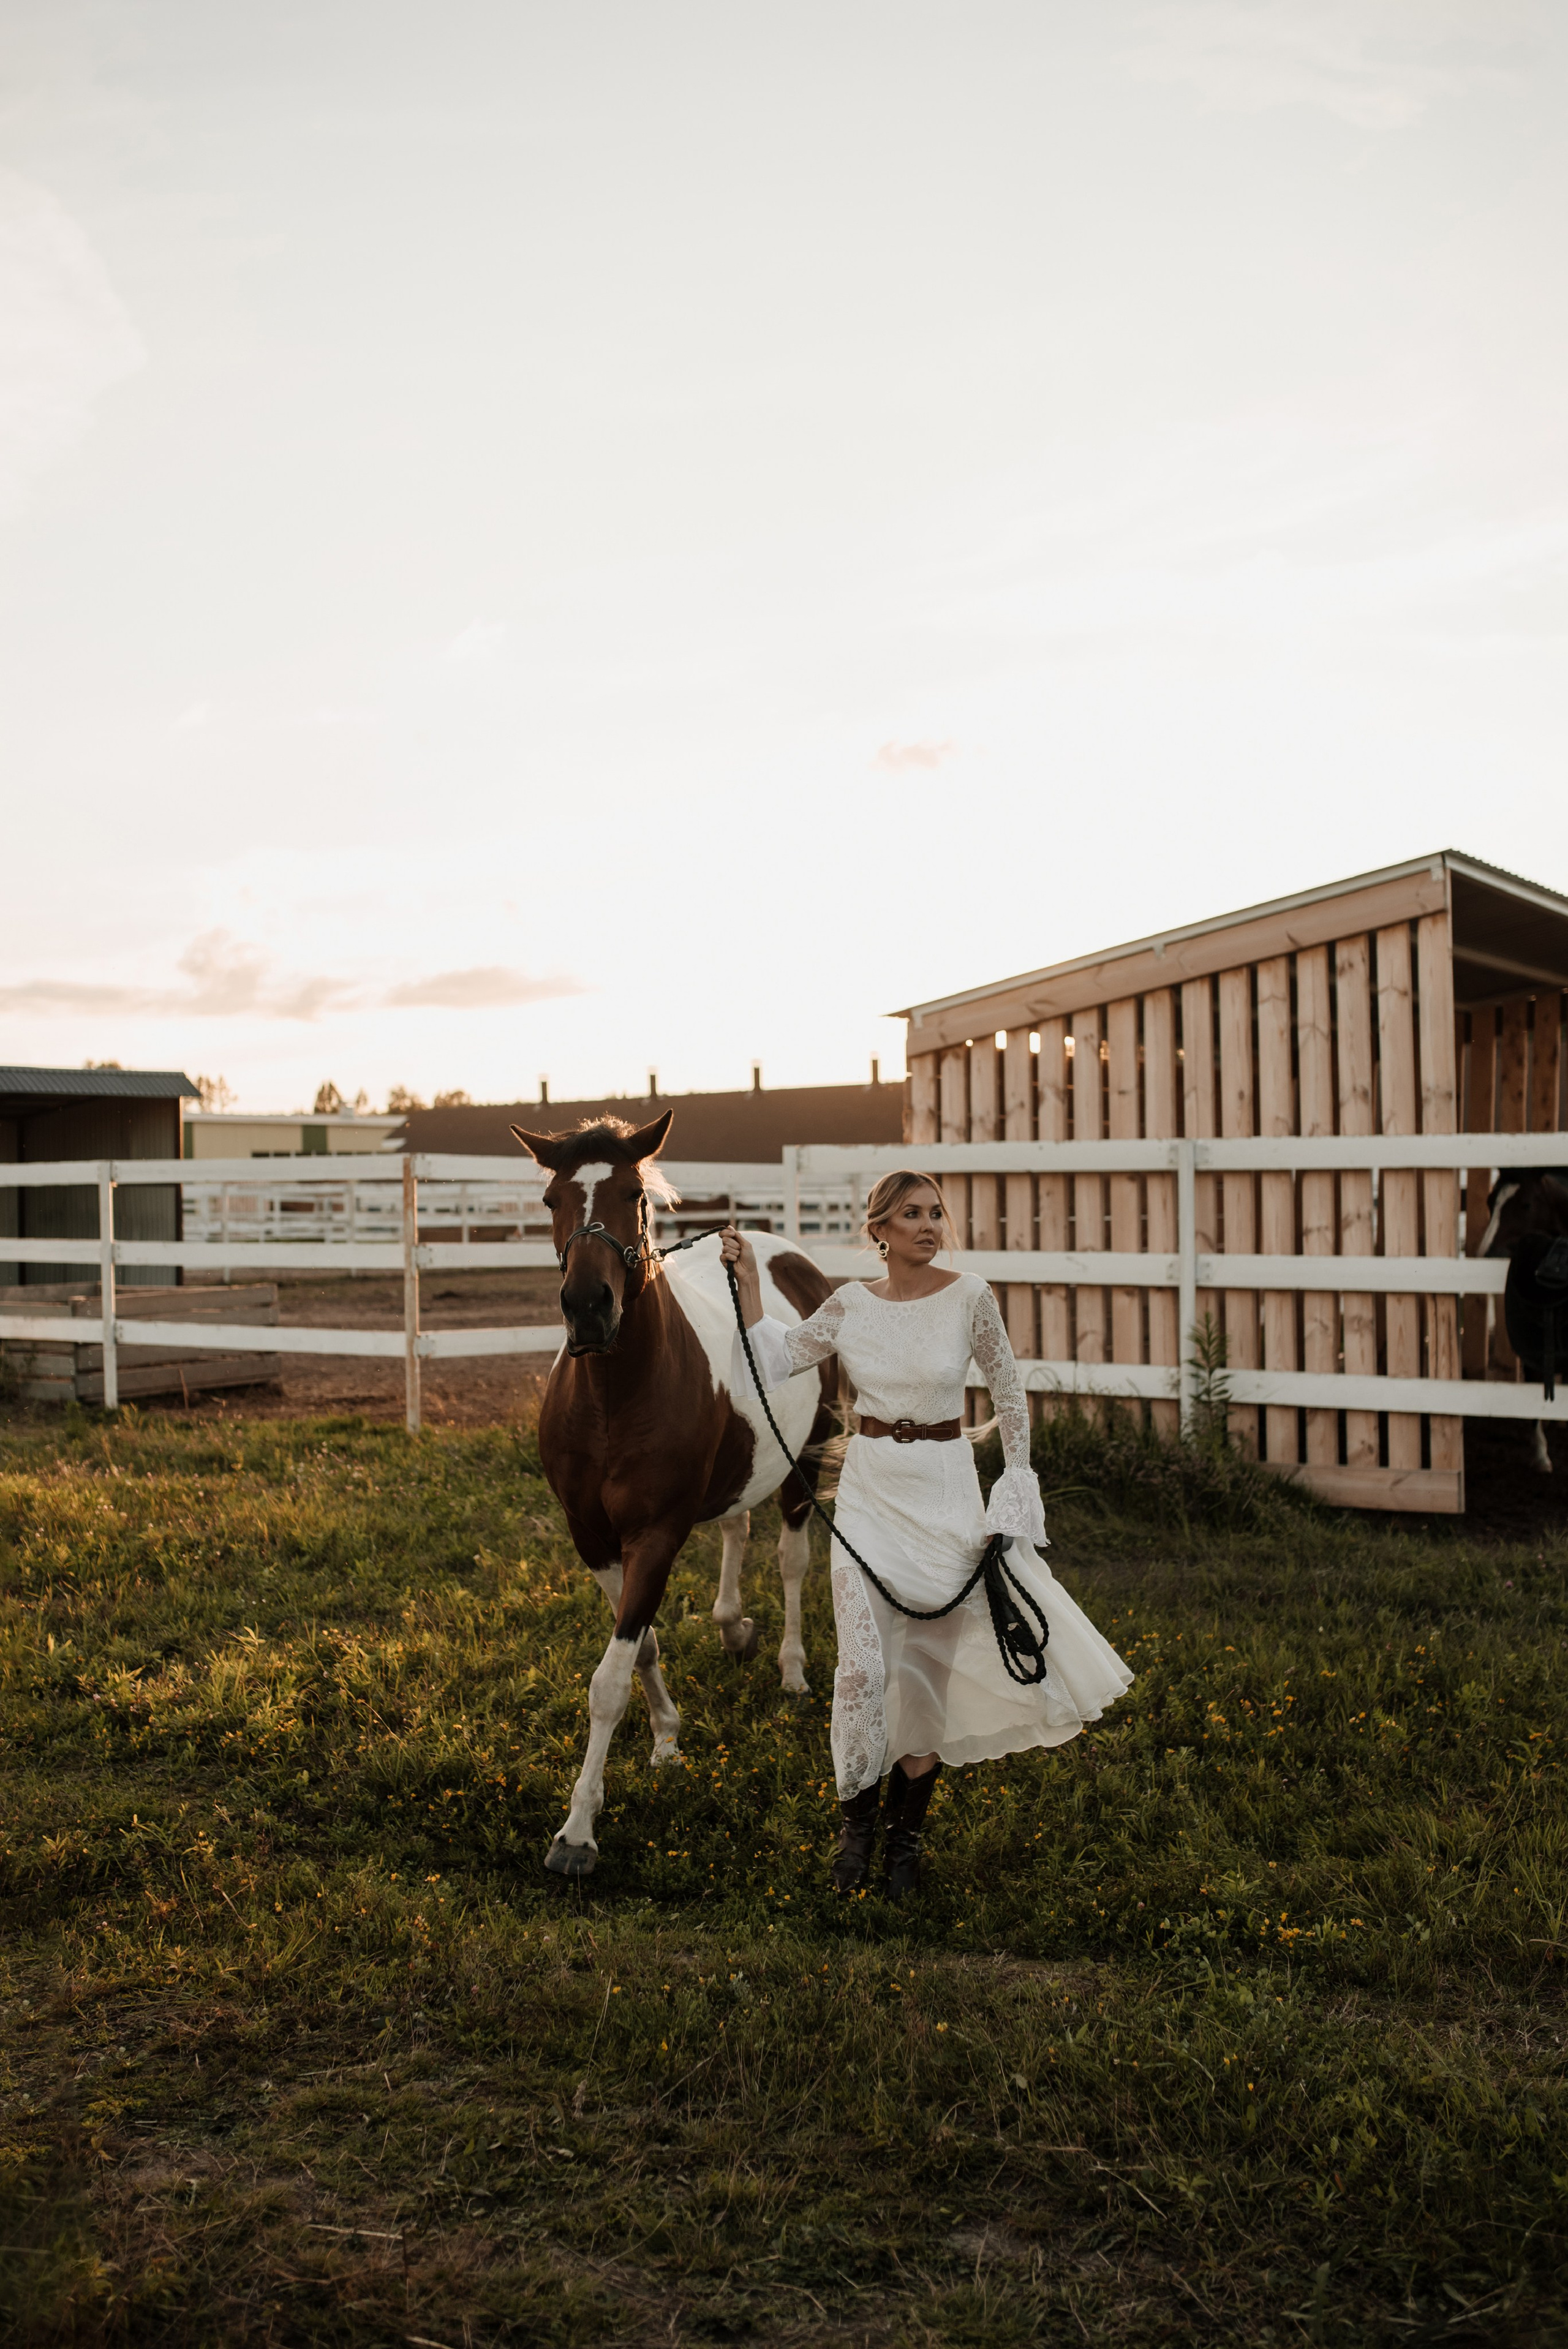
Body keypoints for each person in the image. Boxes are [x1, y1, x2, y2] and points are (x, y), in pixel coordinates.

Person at [721, 1171, 1131, 1898]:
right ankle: (855, 1837)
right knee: (860, 1672)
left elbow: (1008, 1391)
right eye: (910, 1214)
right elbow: (778, 1355)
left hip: (947, 1498)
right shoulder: (847, 1304)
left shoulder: (970, 1294)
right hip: (870, 1499)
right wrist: (749, 1280)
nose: (927, 1224)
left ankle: (903, 1848)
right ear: (878, 1229)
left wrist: (1012, 1497)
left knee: (922, 1684)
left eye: (935, 1212)